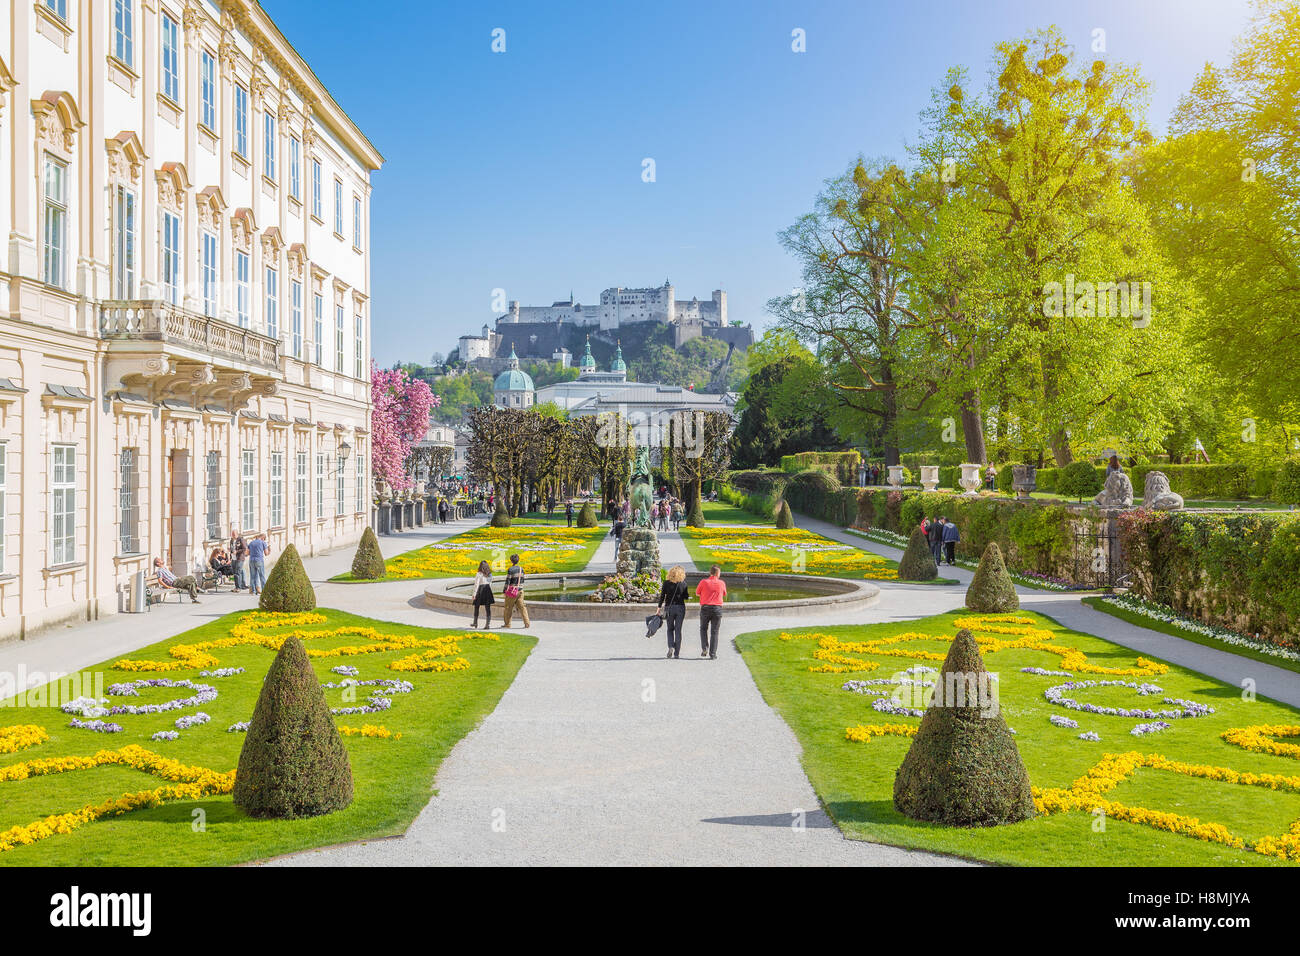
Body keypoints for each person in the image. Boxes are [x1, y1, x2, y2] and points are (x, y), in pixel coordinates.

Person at [656, 565, 689, 659]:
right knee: (678, 630)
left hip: (669, 608)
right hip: (680, 608)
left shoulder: (666, 583)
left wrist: (658, 608)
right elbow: (686, 597)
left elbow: (662, 597)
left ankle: (671, 647)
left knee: (670, 629)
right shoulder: (683, 584)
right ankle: (677, 653)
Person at [695, 564, 727, 659]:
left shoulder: (704, 582)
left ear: (710, 572)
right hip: (717, 609)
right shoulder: (721, 583)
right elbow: (724, 594)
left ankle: (704, 648)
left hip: (705, 608)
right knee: (715, 631)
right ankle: (712, 654)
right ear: (717, 573)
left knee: (703, 628)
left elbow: (697, 593)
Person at [502, 553, 530, 628]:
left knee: (508, 608)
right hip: (520, 590)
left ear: (511, 561)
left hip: (512, 591)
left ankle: (507, 624)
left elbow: (507, 581)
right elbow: (523, 580)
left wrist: (504, 591)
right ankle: (527, 623)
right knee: (522, 607)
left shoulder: (511, 569)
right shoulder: (522, 569)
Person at [471, 559, 494, 628]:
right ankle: (488, 624)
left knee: (476, 606)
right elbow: (490, 582)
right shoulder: (489, 574)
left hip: (480, 590)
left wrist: (474, 594)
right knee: (488, 607)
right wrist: (489, 589)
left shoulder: (479, 574)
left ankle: (475, 622)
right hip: (487, 589)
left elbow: (476, 584)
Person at [229, 528, 249, 592]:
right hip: (233, 558)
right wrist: (230, 552)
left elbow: (244, 548)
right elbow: (232, 549)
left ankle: (239, 587)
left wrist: (237, 552)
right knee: (235, 573)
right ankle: (236, 586)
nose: (233, 535)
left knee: (238, 572)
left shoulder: (241, 539)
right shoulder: (231, 540)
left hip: (239, 558)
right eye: (232, 534)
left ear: (237, 534)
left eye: (234, 534)